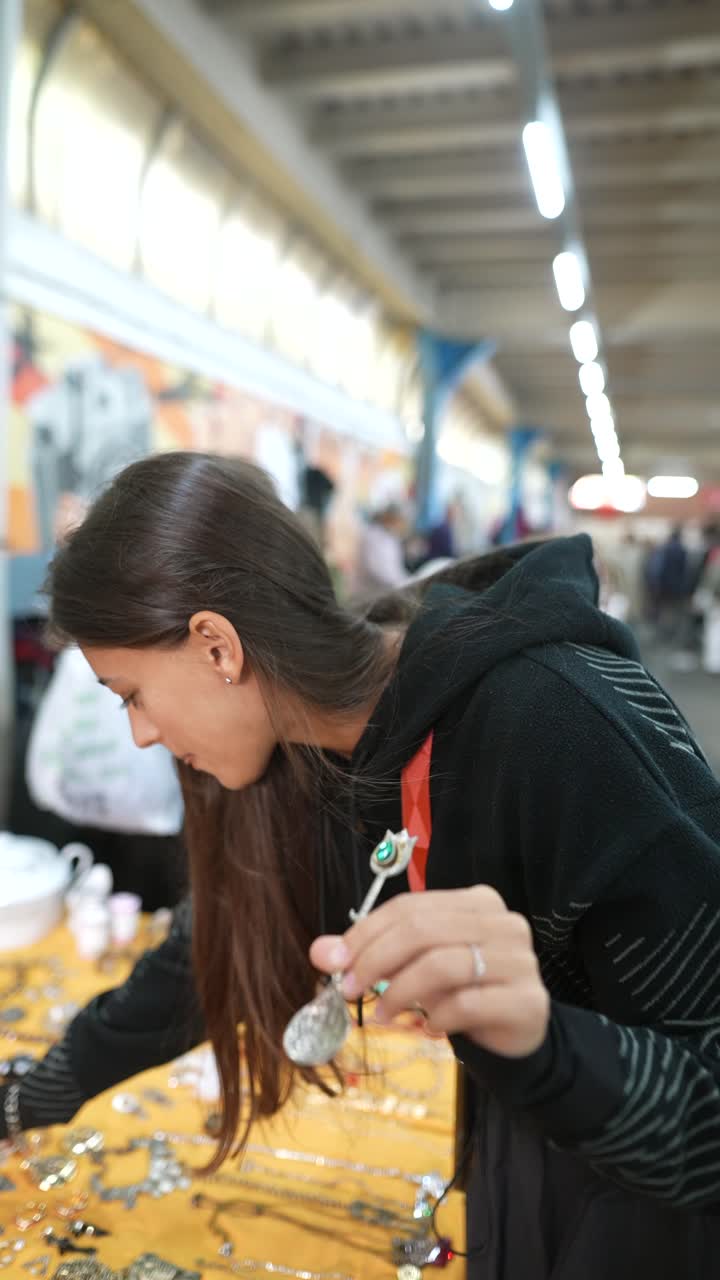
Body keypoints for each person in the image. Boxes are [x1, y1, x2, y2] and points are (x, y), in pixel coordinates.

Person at [4, 449, 720, 1280]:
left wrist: (545, 1041)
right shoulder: (311, 755)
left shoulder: (563, 722)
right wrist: (24, 1098)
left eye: (131, 693)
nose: (140, 734)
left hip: (650, 1199)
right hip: (529, 1141)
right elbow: (203, 962)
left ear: (216, 646)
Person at [354, 502, 408, 597]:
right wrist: (401, 583)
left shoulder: (391, 537)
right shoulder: (371, 536)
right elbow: (376, 570)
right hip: (373, 593)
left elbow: (396, 568)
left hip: (392, 589)